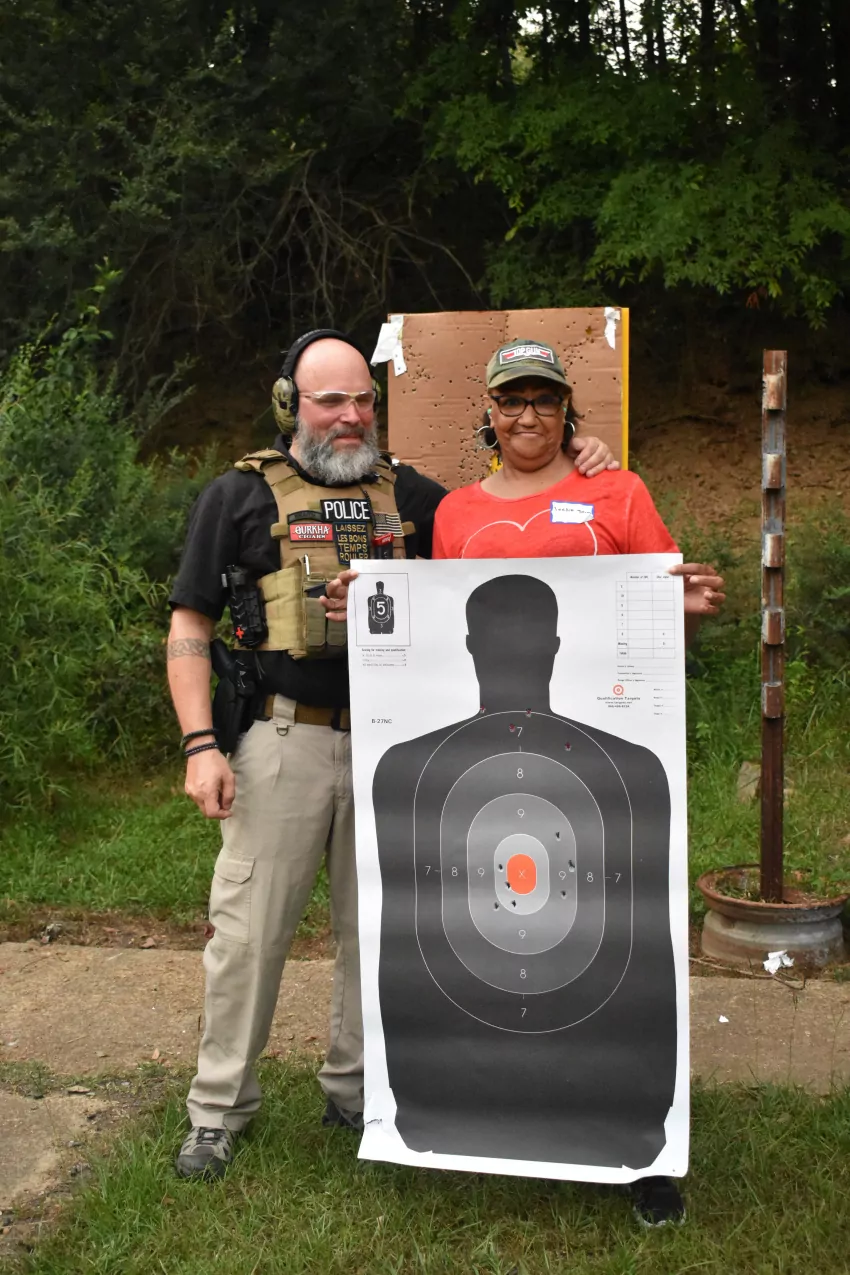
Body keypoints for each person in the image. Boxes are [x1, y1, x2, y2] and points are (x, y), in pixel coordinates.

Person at [165, 327, 617, 1180]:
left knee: (379, 931)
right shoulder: (237, 495)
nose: (351, 416)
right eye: (331, 400)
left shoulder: (413, 496)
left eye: (364, 400)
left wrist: (582, 459)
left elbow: (506, 540)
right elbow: (189, 623)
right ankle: (218, 1108)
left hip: (391, 743)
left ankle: (357, 1089)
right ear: (290, 405)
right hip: (282, 737)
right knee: (249, 934)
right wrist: (200, 745)